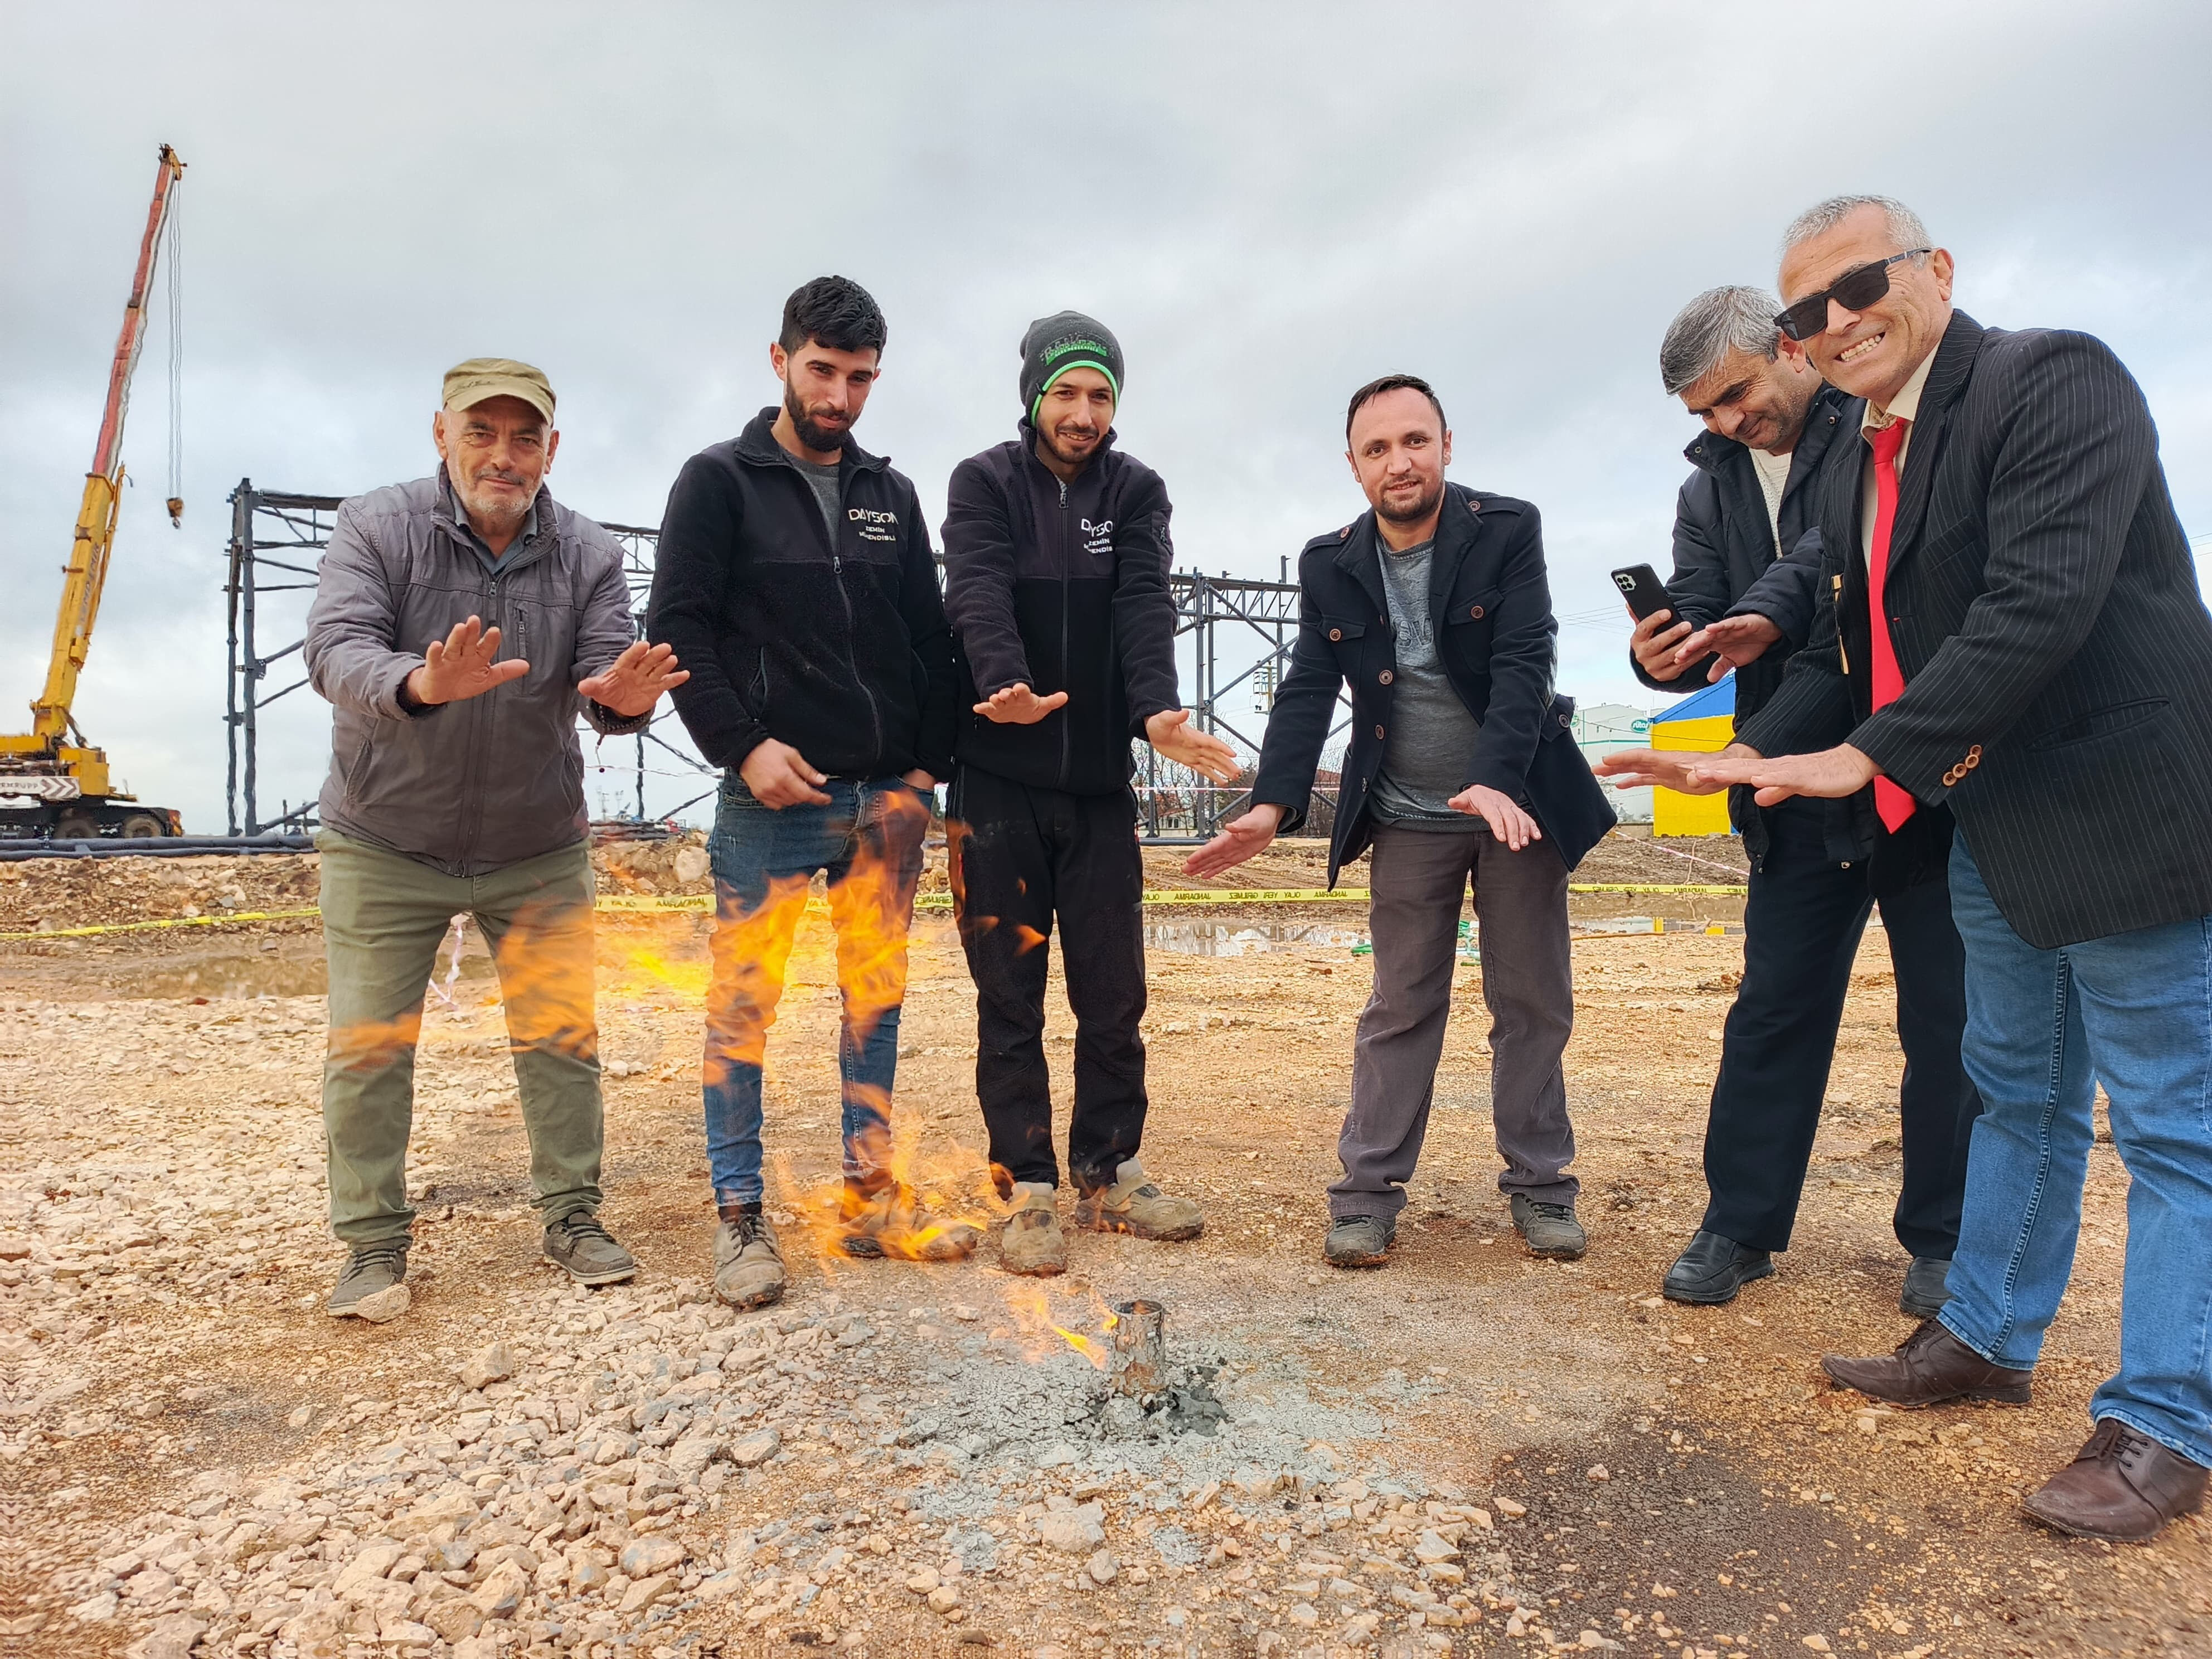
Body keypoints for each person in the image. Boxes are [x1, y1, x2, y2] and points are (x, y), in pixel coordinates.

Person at [1602, 196, 2212, 1543]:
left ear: (1935, 272)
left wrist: (1866, 755)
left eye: (1852, 289)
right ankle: (1983, 1334)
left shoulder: (2050, 378)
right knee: (2016, 1089)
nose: (1832, 323)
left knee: (2173, 1127)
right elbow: (1829, 604)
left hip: (2119, 807)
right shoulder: (1861, 454)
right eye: (1806, 310)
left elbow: (2037, 605)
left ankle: (2168, 1422)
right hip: (1988, 811)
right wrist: (1744, 739)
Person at [1186, 375, 1614, 1268]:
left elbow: (1525, 660)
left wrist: (1496, 781)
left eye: (1415, 441)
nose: (1400, 462)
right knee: (1400, 1004)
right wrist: (1272, 804)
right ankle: (1366, 1197)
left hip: (1516, 810)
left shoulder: (1507, 529)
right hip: (1409, 816)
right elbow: (1308, 687)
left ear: (1448, 446)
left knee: (1531, 1001)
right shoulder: (1329, 561)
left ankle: (1542, 1188)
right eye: (1378, 449)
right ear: (1354, 466)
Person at [303, 357, 687, 1323]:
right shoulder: (376, 526)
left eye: (525, 438)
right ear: (442, 435)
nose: (503, 456)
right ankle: (373, 1245)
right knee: (368, 1048)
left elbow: (604, 671)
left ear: (551, 450)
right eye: (483, 433)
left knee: (562, 1039)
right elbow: (334, 649)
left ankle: (572, 1216)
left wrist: (623, 701)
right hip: (384, 835)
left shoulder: (590, 553)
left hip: (535, 841)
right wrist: (421, 685)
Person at [1626, 287, 1982, 1316]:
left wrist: (1753, 665)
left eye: (1734, 395)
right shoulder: (1711, 488)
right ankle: (1739, 1225)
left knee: (1946, 1016)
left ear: (1789, 350)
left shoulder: (1874, 429)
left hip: (1913, 773)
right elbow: (1706, 609)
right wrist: (1666, 652)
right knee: (1774, 1009)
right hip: (1783, 787)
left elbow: (1829, 583)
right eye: (1703, 415)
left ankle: (1945, 1241)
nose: (1727, 424)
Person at [648, 276, 969, 1311]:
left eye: (860, 378)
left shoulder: (891, 496)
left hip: (886, 804)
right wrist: (741, 749)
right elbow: (680, 631)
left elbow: (930, 640)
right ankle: (740, 1216)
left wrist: (924, 772)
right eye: (822, 371)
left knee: (873, 1007)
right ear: (778, 359)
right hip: (772, 803)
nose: (839, 396)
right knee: (742, 1013)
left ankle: (870, 1197)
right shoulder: (717, 482)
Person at [942, 312, 1241, 1275]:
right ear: (1034, 394)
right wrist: (1001, 684)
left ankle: (1110, 1170)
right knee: (1010, 995)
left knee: (1113, 995)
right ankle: (1027, 1188)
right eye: (1066, 393)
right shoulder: (984, 483)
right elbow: (977, 590)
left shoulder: (1137, 489)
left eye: (1101, 395)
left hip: (1101, 791)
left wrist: (1155, 712)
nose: (1083, 413)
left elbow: (1144, 604)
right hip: (996, 787)